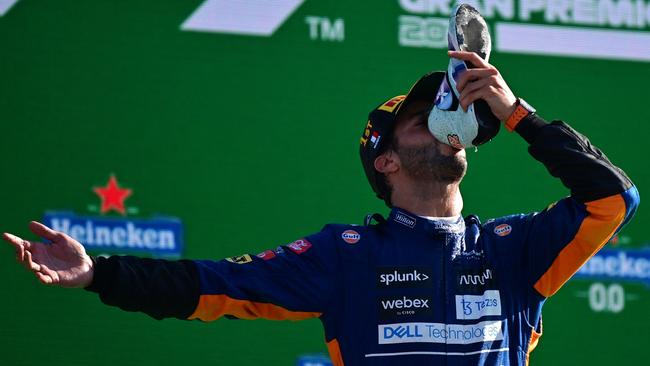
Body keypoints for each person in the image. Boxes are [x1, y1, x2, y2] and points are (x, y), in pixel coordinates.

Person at [4, 51, 639, 366]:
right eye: (423, 122)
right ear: (384, 160)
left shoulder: (514, 248)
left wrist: (516, 114)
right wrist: (97, 275)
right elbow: (211, 285)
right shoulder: (344, 257)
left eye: (454, 119)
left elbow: (614, 198)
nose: (448, 128)